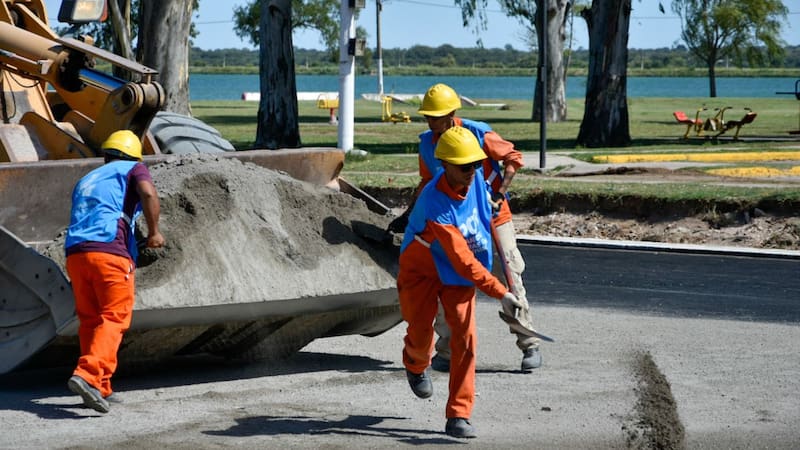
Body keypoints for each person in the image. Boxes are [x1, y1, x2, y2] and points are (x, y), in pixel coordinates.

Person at [389, 83, 540, 372]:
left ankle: (528, 343)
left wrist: (499, 193)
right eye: (428, 117)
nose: (432, 122)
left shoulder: (477, 132)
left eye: (437, 117)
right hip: (455, 220)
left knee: (508, 275)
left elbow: (513, 158)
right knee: (450, 277)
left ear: (452, 113)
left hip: (494, 216)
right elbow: (426, 183)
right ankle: (446, 351)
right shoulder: (426, 144)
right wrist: (409, 214)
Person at [397, 126, 526, 439]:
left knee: (465, 340)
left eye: (475, 164)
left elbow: (487, 214)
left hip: (456, 275)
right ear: (445, 165)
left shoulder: (479, 180)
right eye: (464, 166)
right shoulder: (435, 203)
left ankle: (459, 414)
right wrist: (500, 292)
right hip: (423, 270)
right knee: (420, 333)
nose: (472, 171)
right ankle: (415, 365)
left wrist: (497, 213)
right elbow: (462, 259)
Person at [64, 130, 165, 413]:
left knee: (91, 319)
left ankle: (99, 386)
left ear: (106, 155)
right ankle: (87, 373)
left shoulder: (86, 179)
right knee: (114, 316)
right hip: (109, 252)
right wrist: (155, 232)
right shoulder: (134, 168)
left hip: (76, 253)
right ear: (133, 155)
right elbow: (147, 192)